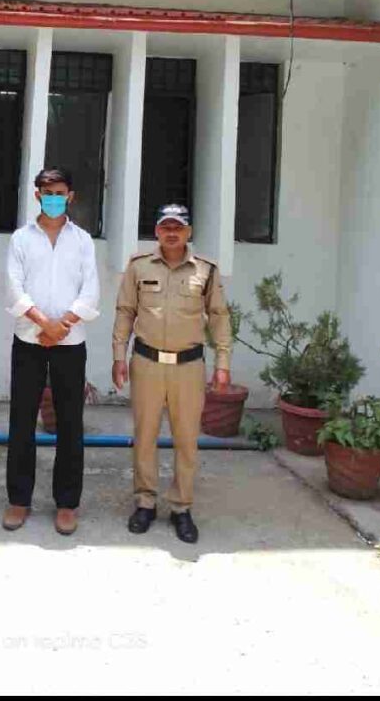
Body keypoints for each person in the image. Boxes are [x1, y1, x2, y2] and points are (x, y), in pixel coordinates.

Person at [111, 203, 231, 544]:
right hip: (147, 363)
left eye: (178, 227)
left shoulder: (205, 270)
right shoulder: (138, 266)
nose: (172, 232)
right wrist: (119, 356)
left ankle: (181, 507)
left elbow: (219, 316)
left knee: (186, 440)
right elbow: (125, 312)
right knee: (145, 436)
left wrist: (223, 363)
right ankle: (145, 502)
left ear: (189, 232)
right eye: (166, 226)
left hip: (188, 367)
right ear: (157, 231)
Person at [3, 167, 100, 536]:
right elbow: (14, 288)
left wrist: (63, 325)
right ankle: (19, 499)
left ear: (70, 196)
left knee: (70, 423)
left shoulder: (83, 240)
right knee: (22, 420)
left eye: (60, 193)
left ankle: (67, 503)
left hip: (70, 343)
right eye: (48, 192)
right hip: (29, 340)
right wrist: (45, 325)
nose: (54, 198)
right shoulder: (21, 239)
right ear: (37, 195)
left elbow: (91, 290)